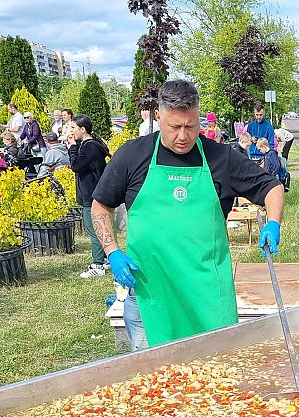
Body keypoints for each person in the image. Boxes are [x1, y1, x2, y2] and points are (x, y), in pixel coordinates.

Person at [90, 79, 284, 351]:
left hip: (207, 294)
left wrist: (273, 222)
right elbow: (100, 206)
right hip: (151, 293)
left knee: (215, 377)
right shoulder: (133, 155)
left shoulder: (220, 157)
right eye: (175, 127)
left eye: (191, 126)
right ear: (159, 117)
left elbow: (271, 187)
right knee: (153, 382)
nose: (183, 136)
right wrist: (112, 251)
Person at [68, 115, 111, 278]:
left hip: (92, 194)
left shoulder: (89, 147)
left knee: (94, 230)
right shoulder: (87, 145)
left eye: (73, 128)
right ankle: (106, 259)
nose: (70, 131)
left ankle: (98, 264)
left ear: (82, 129)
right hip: (92, 193)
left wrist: (72, 147)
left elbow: (76, 166)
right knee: (99, 227)